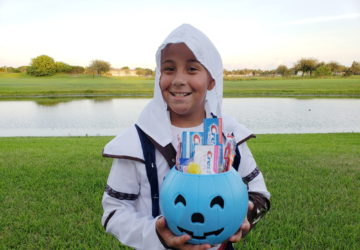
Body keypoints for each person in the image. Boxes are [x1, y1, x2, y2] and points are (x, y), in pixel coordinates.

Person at [101, 24, 270, 250]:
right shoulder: (138, 141)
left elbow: (259, 193)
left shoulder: (229, 133)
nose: (179, 80)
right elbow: (114, 210)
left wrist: (244, 214)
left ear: (212, 80)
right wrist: (157, 235)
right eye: (169, 69)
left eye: (192, 69)